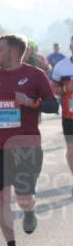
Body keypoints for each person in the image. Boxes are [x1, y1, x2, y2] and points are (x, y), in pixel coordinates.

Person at [0, 33, 58, 246]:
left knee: (24, 197)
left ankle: (29, 210)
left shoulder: (35, 75)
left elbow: (53, 105)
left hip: (26, 144)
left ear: (14, 51)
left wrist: (30, 102)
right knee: (2, 198)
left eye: (0, 49)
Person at [50, 35, 73, 198]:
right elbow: (54, 88)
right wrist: (66, 90)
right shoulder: (61, 66)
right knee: (71, 150)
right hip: (69, 116)